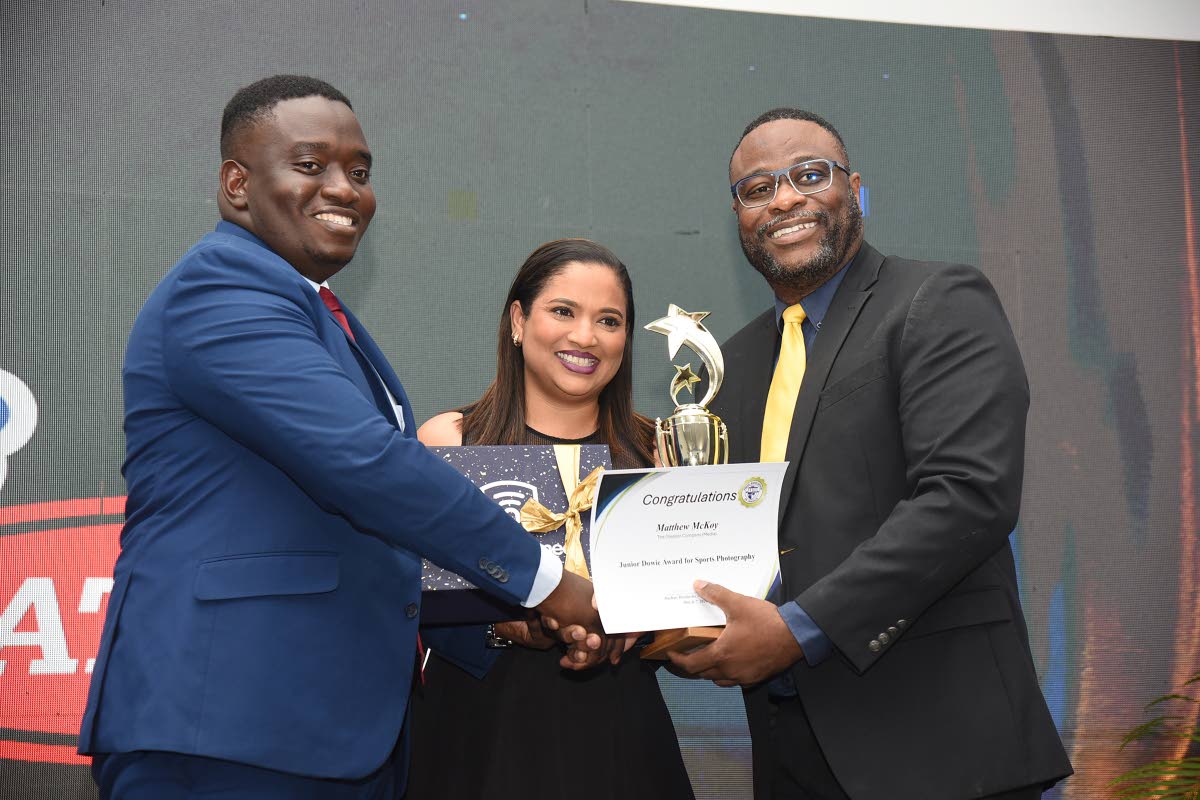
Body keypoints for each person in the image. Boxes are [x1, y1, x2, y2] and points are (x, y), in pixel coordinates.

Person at [78, 75, 608, 799]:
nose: (344, 189)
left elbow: (362, 535)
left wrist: (505, 626)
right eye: (310, 165)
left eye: (359, 172)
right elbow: (366, 467)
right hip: (227, 729)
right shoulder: (220, 293)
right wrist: (549, 582)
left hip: (328, 732)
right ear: (237, 184)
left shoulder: (316, 313)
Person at [670, 108, 1074, 799]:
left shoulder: (937, 300)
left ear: (854, 189)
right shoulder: (731, 366)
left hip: (939, 745)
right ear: (738, 214)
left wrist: (798, 630)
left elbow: (968, 497)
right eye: (758, 188)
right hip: (789, 748)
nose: (784, 200)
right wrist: (663, 626)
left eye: (809, 175)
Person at [406, 239, 696, 800]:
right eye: (563, 311)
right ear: (518, 320)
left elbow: (692, 615)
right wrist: (509, 627)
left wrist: (646, 628)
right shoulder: (450, 442)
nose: (585, 337)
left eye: (608, 320)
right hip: (474, 732)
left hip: (620, 735)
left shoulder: (656, 453)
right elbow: (410, 600)